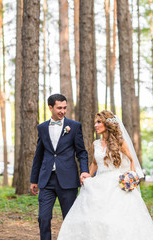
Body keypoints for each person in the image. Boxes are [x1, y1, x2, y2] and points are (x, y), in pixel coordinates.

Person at [57, 110, 153, 240]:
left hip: (117, 184)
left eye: (99, 122)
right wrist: (87, 175)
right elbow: (95, 163)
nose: (95, 125)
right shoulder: (96, 144)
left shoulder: (120, 142)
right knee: (95, 218)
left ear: (107, 124)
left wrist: (131, 176)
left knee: (115, 219)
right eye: (95, 122)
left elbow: (131, 160)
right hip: (99, 183)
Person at [30, 94, 91, 240]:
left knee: (69, 218)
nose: (62, 111)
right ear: (50, 107)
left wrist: (84, 171)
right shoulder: (42, 128)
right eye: (59, 108)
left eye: (64, 108)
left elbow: (81, 152)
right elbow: (38, 155)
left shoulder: (74, 127)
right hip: (46, 180)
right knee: (43, 218)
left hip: (68, 180)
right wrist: (34, 180)